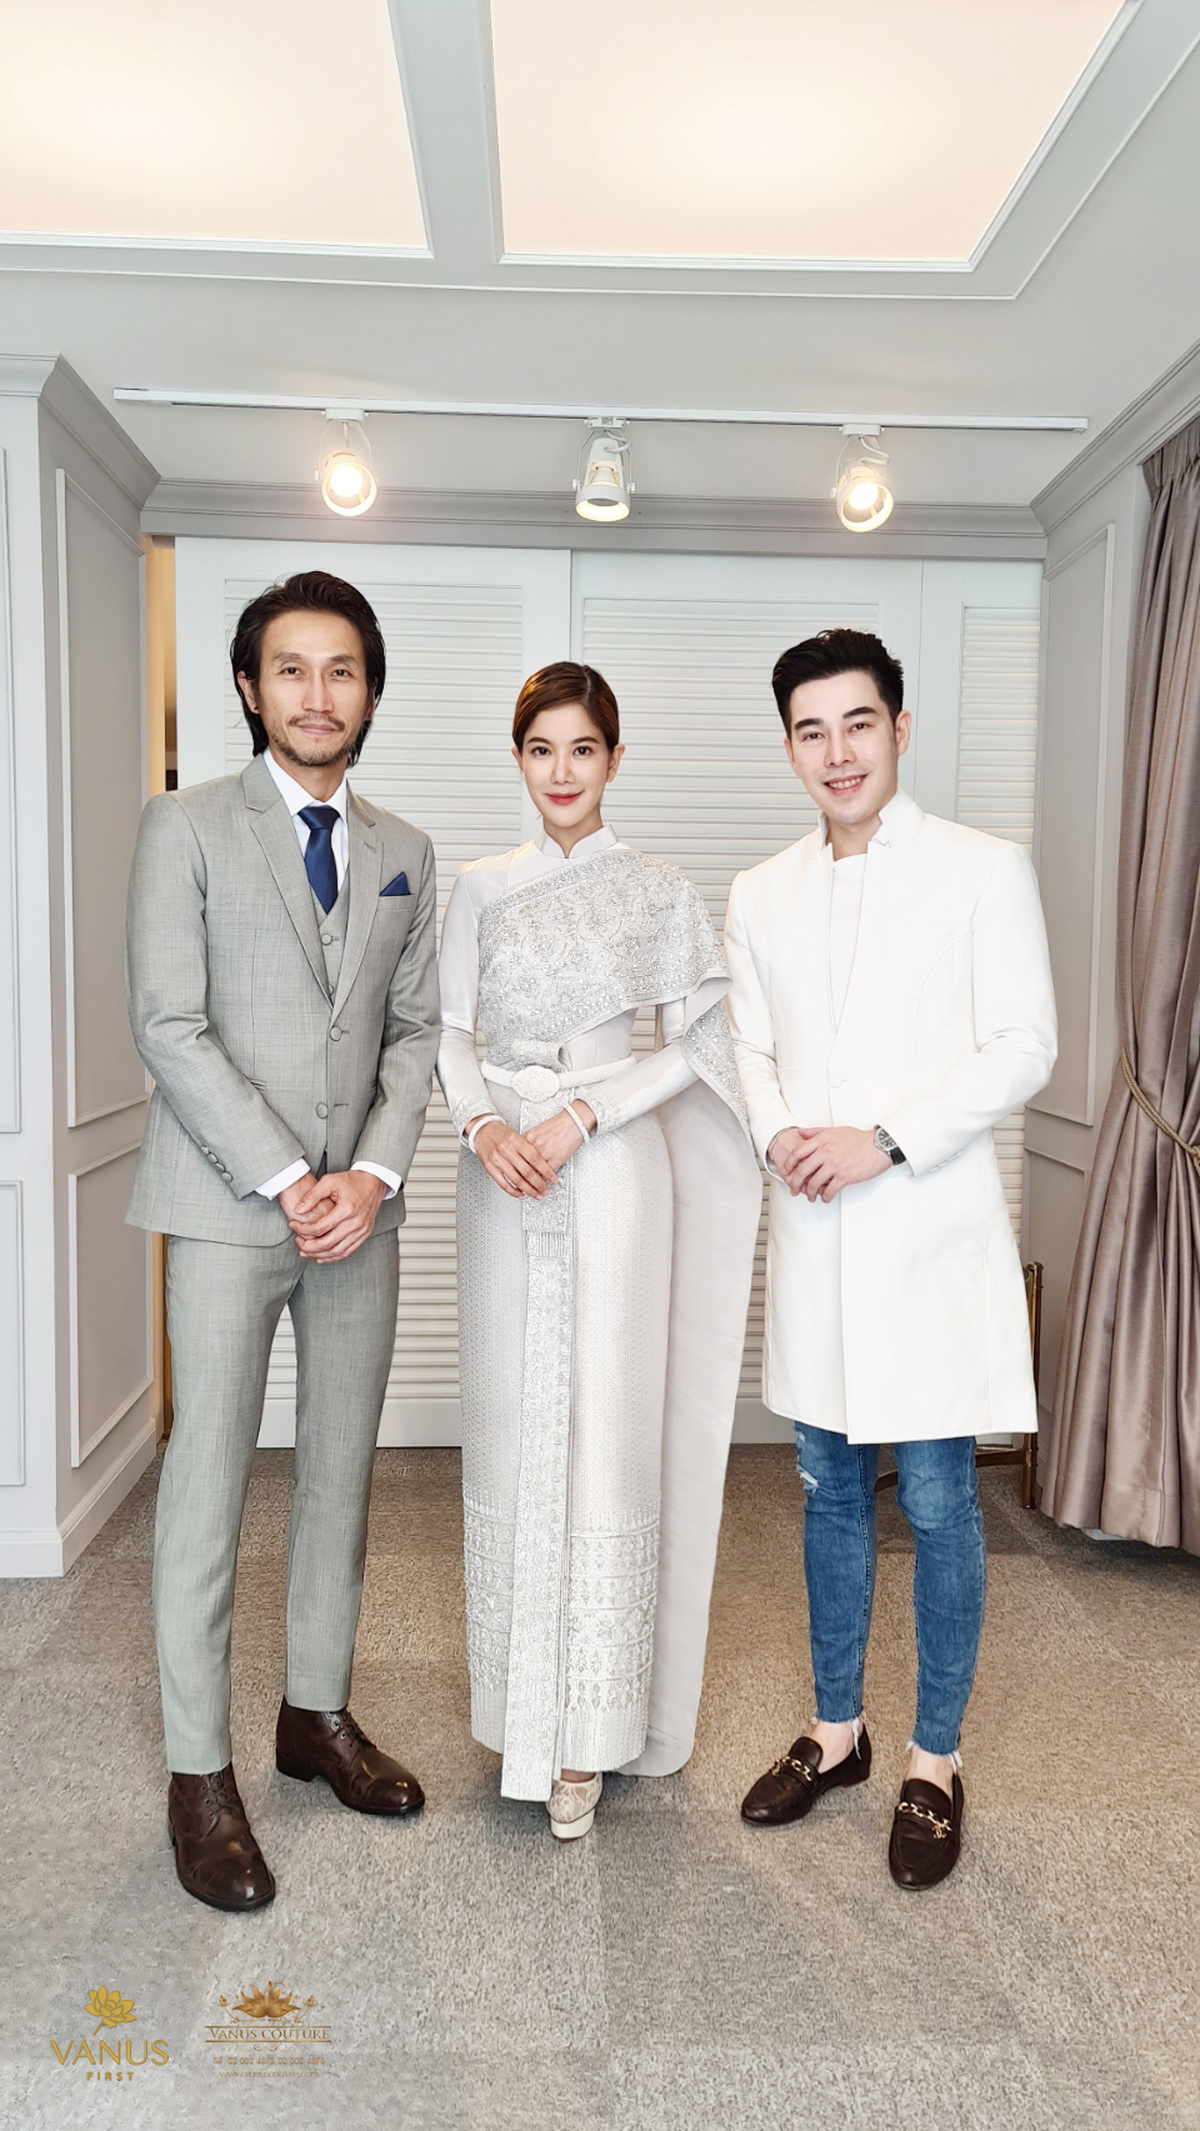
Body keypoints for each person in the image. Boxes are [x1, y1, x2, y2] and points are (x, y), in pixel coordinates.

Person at [125, 570, 440, 1911]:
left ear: (370, 692)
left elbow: (415, 1032)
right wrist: (284, 1175)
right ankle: (198, 1773)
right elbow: (169, 1022)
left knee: (341, 1474)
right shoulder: (186, 825)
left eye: (343, 669)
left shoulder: (405, 849)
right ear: (252, 689)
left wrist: (368, 1173)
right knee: (206, 1483)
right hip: (225, 1204)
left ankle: (314, 1715)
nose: (320, 693)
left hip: (359, 1214)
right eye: (293, 669)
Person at [725, 628, 1056, 1890]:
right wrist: (779, 1134)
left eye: (857, 723)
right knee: (824, 1487)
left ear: (899, 729)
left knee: (936, 1498)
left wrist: (886, 1140)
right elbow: (748, 1046)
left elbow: (1024, 1043)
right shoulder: (761, 890)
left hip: (925, 1232)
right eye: (811, 731)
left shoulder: (981, 868)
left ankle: (933, 1756)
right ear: (790, 749)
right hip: (816, 1229)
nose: (837, 751)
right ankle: (836, 1731)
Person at [437, 661, 760, 1837]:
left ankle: (592, 1732)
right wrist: (483, 1128)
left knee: (608, 1429)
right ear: (518, 759)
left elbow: (703, 1041)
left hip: (615, 1167)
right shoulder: (479, 886)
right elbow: (452, 1034)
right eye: (541, 749)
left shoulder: (657, 888)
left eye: (582, 748)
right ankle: (521, 1707)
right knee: (513, 1427)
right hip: (501, 1177)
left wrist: (584, 1112)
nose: (561, 771)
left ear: (615, 758)